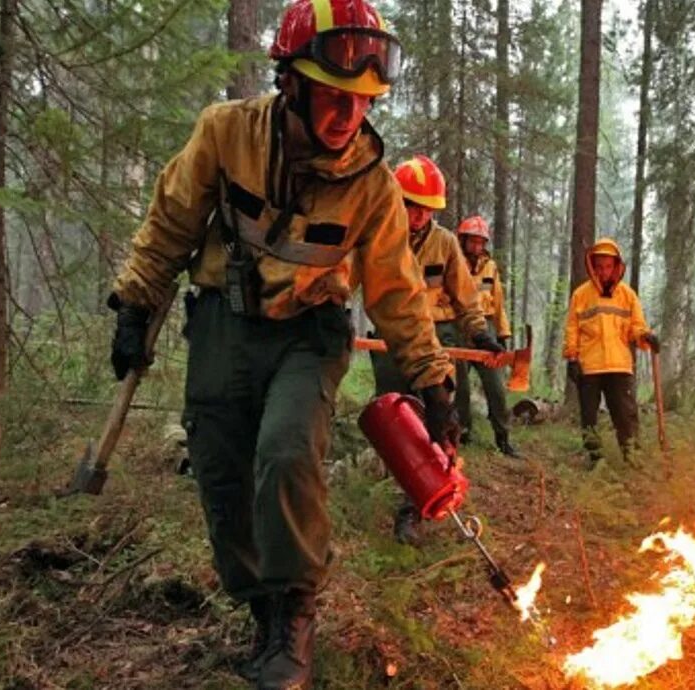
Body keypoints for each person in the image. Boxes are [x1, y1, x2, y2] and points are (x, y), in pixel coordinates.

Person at [107, 1, 458, 687]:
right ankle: (261, 612)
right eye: (334, 97)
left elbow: (396, 294)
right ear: (291, 82)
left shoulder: (376, 189)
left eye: (362, 102)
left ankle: (294, 615)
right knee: (221, 471)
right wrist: (135, 300)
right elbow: (172, 220)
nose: (348, 116)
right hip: (224, 324)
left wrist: (433, 381)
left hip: (309, 334)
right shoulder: (225, 134)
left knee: (287, 451)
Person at [371, 156, 503, 544]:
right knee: (397, 420)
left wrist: (481, 335)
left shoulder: (445, 243)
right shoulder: (377, 233)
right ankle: (406, 491)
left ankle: (430, 499)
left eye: (426, 209)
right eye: (411, 206)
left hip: (431, 347)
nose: (417, 216)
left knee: (437, 418)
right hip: (388, 343)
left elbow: (466, 297)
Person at [562, 238, 659, 468]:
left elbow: (636, 326)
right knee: (589, 418)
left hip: (619, 366)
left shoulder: (628, 295)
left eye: (608, 266)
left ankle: (631, 458)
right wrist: (572, 358)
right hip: (590, 366)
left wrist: (646, 337)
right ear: (592, 266)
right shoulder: (581, 295)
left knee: (625, 416)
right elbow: (572, 329)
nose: (603, 271)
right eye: (599, 266)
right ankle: (596, 461)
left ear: (616, 266)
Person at [455, 215, 520, 458]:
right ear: (462, 241)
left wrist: (502, 334)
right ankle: (462, 433)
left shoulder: (490, 267)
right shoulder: (453, 261)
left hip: (487, 326)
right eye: (472, 242)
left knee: (495, 387)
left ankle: (503, 438)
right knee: (459, 386)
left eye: (481, 243)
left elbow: (499, 301)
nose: (476, 247)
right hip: (459, 328)